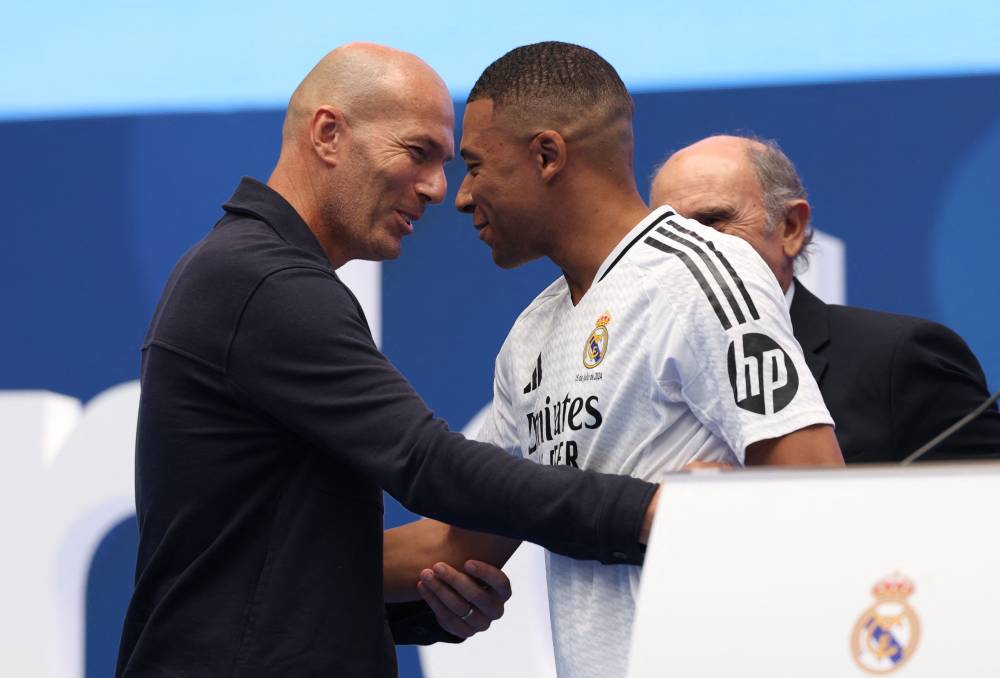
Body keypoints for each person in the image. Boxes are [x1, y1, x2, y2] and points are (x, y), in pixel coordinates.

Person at [115, 43, 665, 678]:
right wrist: (653, 512)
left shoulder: (250, 273)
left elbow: (261, 558)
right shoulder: (264, 283)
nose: (439, 189)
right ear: (328, 134)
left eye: (447, 161)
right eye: (418, 152)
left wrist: (414, 611)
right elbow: (426, 463)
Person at [393, 42, 843, 678]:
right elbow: (455, 544)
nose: (461, 197)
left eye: (475, 166)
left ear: (547, 155)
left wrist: (721, 508)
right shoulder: (529, 336)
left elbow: (819, 498)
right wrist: (262, 567)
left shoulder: (703, 272)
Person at [649, 134, 1000, 462]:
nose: (687, 249)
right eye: (668, 233)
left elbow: (982, 502)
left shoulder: (899, 359)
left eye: (712, 221)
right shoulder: (631, 369)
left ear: (790, 228)